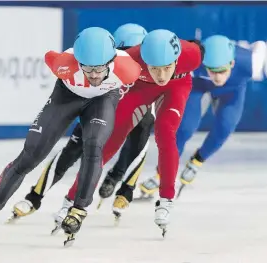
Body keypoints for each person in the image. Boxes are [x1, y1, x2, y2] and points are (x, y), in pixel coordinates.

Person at [0, 27, 141, 245]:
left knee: (93, 147)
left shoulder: (129, 68)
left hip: (102, 100)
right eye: (87, 69)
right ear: (77, 62)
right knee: (30, 155)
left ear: (111, 61)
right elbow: (49, 56)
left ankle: (79, 209)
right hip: (66, 97)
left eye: (99, 69)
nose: (93, 75)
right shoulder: (62, 63)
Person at [55, 29, 203, 241]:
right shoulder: (131, 57)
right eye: (154, 68)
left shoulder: (193, 55)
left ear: (177, 59)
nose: (160, 76)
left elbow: (199, 51)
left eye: (166, 68)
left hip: (176, 87)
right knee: (110, 142)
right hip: (141, 87)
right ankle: (71, 199)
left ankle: (166, 199)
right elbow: (95, 64)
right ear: (145, 61)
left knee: (165, 132)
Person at [134, 35, 267, 199]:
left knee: (225, 126)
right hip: (198, 86)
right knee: (183, 129)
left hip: (233, 90)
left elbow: (259, 44)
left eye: (222, 71)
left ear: (232, 64)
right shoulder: (191, 62)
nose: (217, 77)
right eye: (212, 71)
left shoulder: (252, 63)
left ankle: (198, 160)